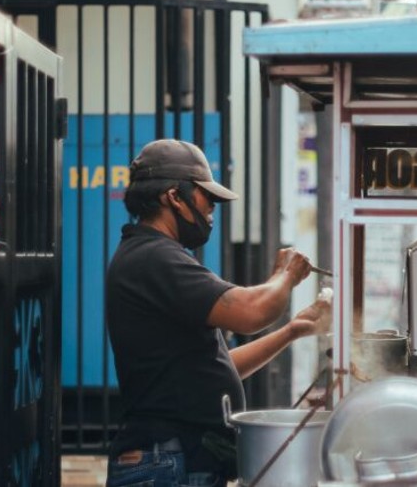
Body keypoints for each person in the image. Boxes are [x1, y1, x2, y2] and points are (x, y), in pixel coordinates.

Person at [105, 139, 330, 487]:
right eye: (205, 197)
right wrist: (286, 275)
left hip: (176, 459)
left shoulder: (156, 256)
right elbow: (251, 311)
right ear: (174, 197)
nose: (211, 208)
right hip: (164, 461)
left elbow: (220, 364)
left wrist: (292, 331)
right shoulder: (154, 258)